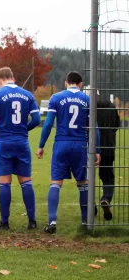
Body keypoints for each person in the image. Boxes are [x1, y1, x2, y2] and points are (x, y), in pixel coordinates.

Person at [37, 71, 101, 233]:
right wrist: (97, 150)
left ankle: (52, 222)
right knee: (83, 184)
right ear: (80, 84)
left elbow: (48, 124)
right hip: (81, 145)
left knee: (56, 182)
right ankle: (86, 222)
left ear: (66, 82)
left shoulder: (56, 98)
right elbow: (95, 128)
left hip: (61, 144)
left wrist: (41, 145)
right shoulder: (87, 99)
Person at [0, 67, 41, 230]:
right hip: (22, 141)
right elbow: (37, 119)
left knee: (4, 182)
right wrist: (24, 129)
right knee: (26, 181)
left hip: (3, 141)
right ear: (13, 78)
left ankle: (5, 221)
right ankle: (32, 221)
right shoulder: (27, 94)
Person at [97, 96, 120, 220]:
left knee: (85, 178)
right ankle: (106, 198)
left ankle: (89, 206)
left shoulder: (89, 106)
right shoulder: (111, 106)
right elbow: (116, 125)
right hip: (107, 145)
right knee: (108, 176)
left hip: (90, 146)